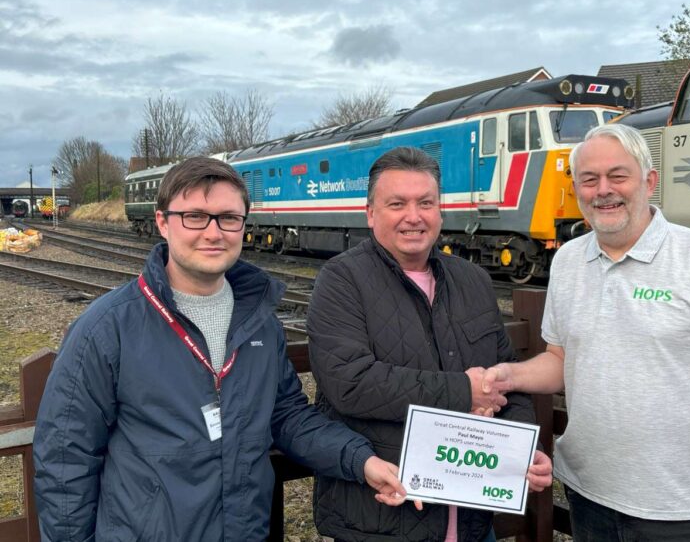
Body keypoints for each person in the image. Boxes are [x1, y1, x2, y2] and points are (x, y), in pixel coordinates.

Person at [33, 157, 411, 542]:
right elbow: (66, 459)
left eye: (228, 218)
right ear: (163, 222)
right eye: (195, 216)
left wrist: (360, 461)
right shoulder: (107, 328)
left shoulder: (260, 323)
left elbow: (286, 416)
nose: (213, 232)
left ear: (243, 226)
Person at [482, 123, 690, 541]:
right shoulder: (568, 261)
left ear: (649, 181)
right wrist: (507, 376)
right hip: (587, 495)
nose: (603, 190)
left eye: (617, 176)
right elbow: (561, 361)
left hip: (676, 509)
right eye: (589, 179)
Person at [306, 146, 553, 542]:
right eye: (397, 204)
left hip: (472, 518)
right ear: (371, 214)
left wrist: (520, 448)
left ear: (440, 212)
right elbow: (350, 383)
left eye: (426, 202)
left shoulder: (471, 280)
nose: (414, 216)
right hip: (383, 520)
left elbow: (505, 375)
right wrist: (463, 392)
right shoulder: (341, 280)